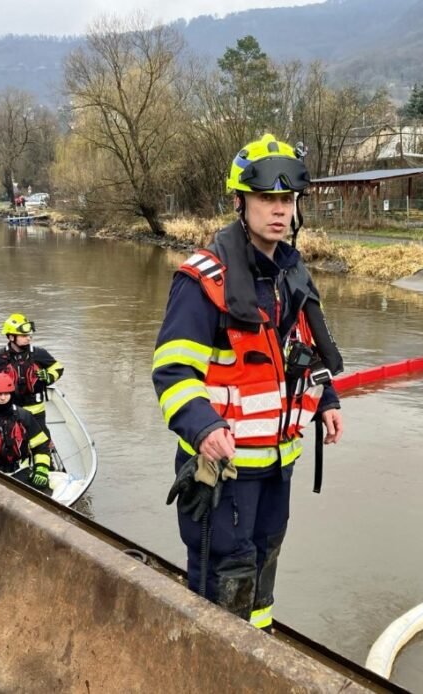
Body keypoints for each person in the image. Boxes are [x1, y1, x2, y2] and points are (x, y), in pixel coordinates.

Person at [152, 134, 345, 631]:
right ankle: (210, 663)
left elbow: (303, 351)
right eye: (267, 199)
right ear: (240, 202)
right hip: (224, 469)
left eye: (287, 200)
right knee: (223, 572)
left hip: (278, 463)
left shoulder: (291, 274)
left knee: (263, 565)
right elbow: (172, 370)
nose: (279, 211)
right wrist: (203, 426)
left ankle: (257, 656)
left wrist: (327, 398)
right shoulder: (203, 281)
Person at [0, 314, 63, 434]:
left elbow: (58, 367)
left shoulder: (39, 354)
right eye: (24, 335)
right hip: (8, 408)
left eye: (29, 335)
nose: (28, 338)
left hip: (36, 410)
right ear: (11, 337)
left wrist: (49, 376)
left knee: (42, 439)